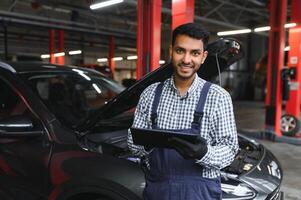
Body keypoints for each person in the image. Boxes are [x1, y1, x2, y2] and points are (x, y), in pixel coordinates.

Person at [128, 23, 238, 200]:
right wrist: (147, 143)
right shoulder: (150, 94)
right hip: (158, 189)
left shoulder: (218, 97)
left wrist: (204, 153)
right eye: (180, 51)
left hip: (200, 192)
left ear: (203, 57)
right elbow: (133, 143)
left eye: (194, 53)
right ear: (171, 51)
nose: (186, 60)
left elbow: (230, 149)